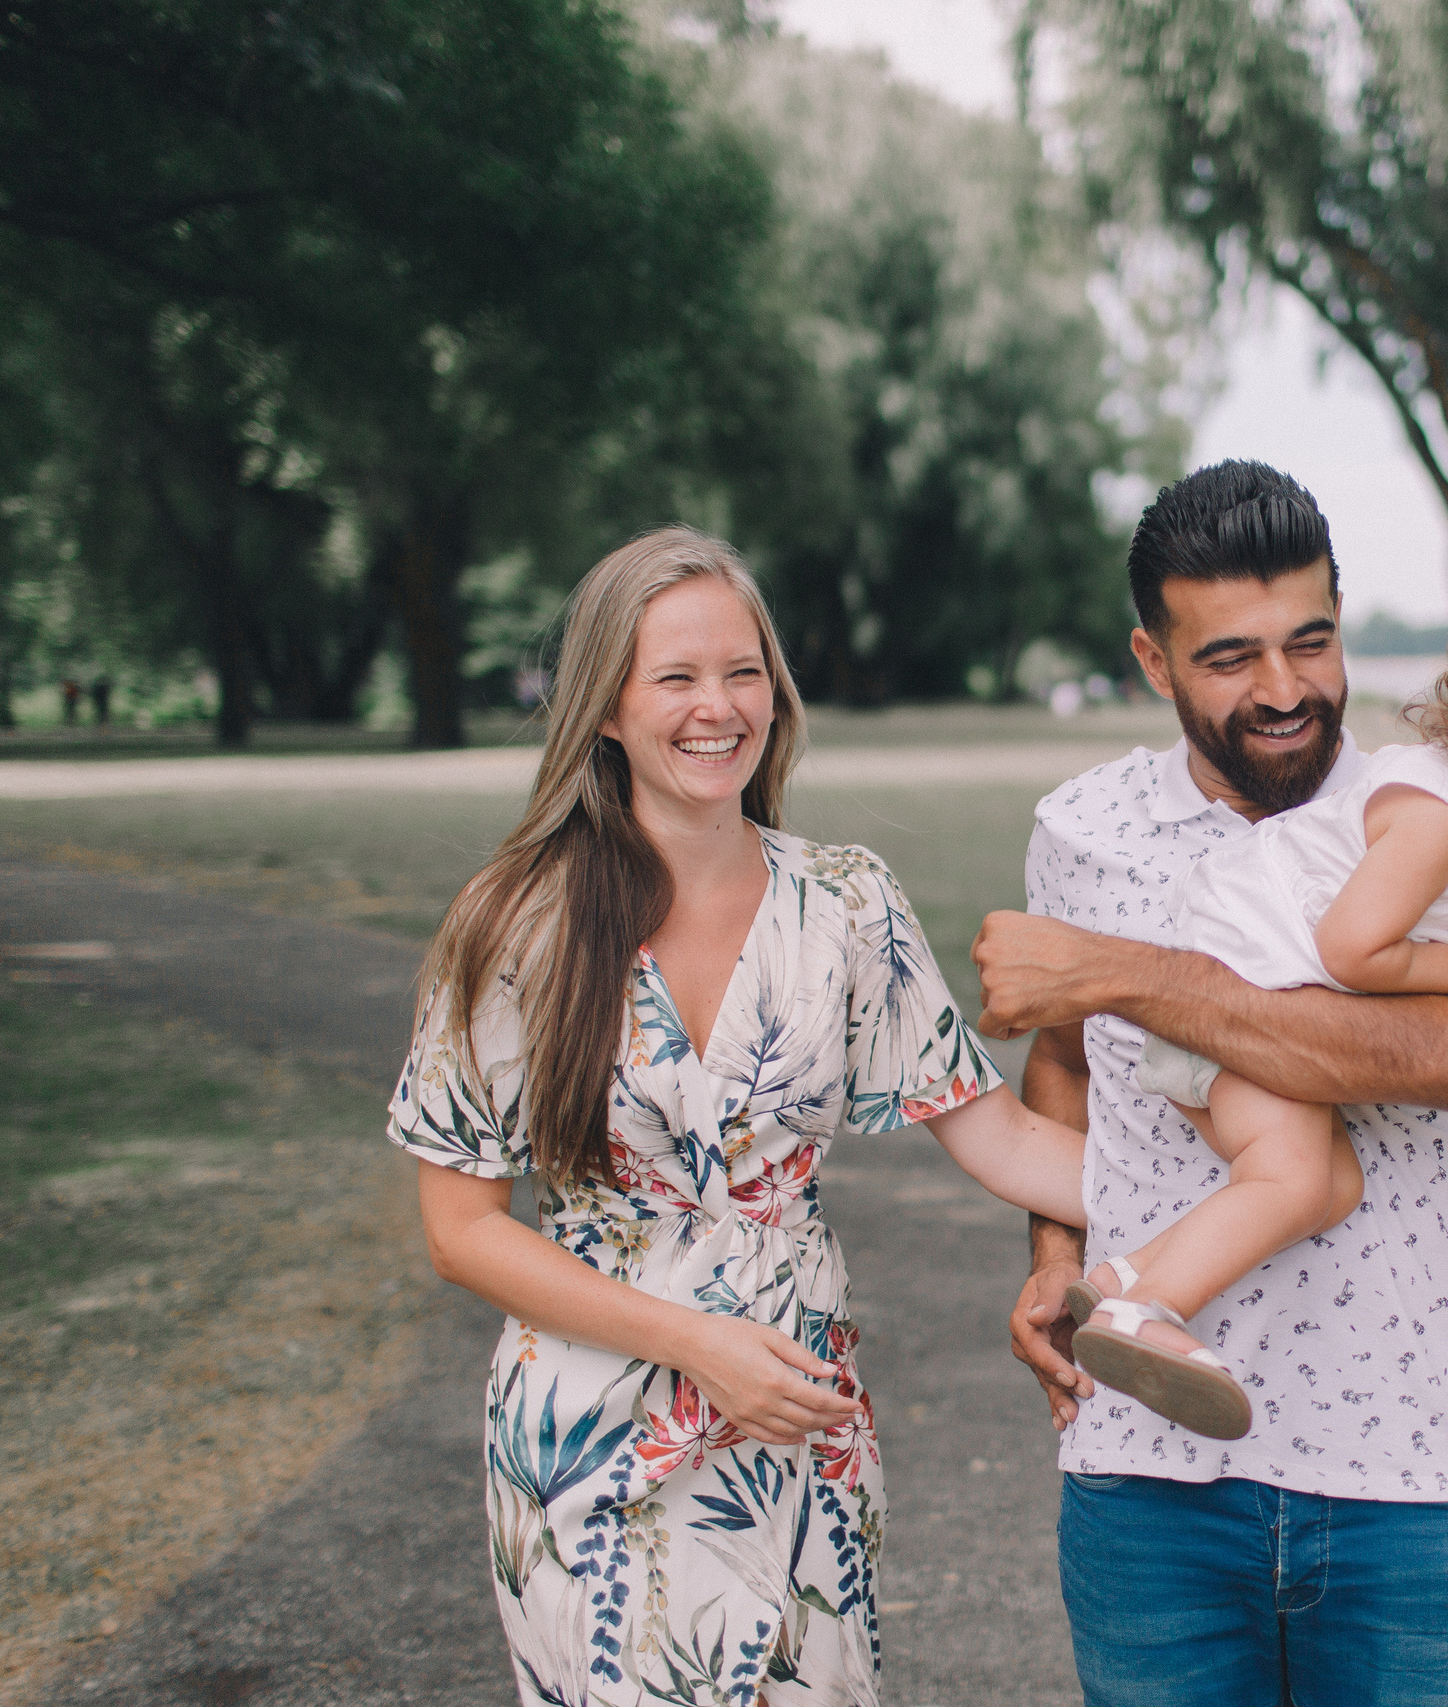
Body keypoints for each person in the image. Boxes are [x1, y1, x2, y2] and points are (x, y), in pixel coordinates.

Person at [972, 461, 1448, 1706]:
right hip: (1147, 1469)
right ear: (1152, 662)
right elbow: (1070, 1063)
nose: (1286, 688)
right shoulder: (1081, 832)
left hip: (1414, 1470)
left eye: (1312, 640)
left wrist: (1126, 973)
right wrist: (1051, 1251)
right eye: (1231, 657)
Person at [393, 526, 1086, 1706]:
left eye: (743, 671)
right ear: (604, 707)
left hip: (797, 1424)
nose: (717, 708)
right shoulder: (514, 919)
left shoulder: (849, 902)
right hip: (590, 1438)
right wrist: (694, 1343)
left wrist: (1249, 1185)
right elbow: (461, 1232)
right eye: (675, 677)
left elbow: (1005, 1140)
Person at [1062, 580, 1448, 1439]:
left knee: (1333, 1186)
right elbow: (1349, 949)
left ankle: (1119, 1275)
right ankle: (1144, 1314)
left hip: (1261, 1000)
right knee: (1291, 1181)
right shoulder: (1437, 819)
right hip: (1233, 996)